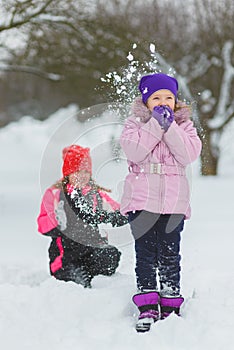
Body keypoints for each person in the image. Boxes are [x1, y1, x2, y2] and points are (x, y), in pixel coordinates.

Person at [120, 73, 202, 332]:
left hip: (173, 201)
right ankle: (146, 305)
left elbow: (188, 154)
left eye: (169, 97)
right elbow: (134, 151)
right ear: (146, 101)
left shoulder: (185, 125)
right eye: (156, 97)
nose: (163, 102)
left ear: (176, 101)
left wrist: (171, 127)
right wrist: (155, 126)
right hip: (142, 199)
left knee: (169, 253)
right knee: (146, 254)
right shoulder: (134, 124)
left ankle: (170, 302)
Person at [37, 144, 127, 288]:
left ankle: (95, 276)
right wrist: (57, 222)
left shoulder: (95, 194)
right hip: (66, 255)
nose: (82, 176)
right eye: (77, 171)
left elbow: (115, 209)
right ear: (68, 173)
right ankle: (74, 276)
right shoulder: (56, 194)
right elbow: (42, 224)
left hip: (91, 250)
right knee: (77, 281)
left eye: (85, 171)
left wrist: (123, 214)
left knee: (110, 254)